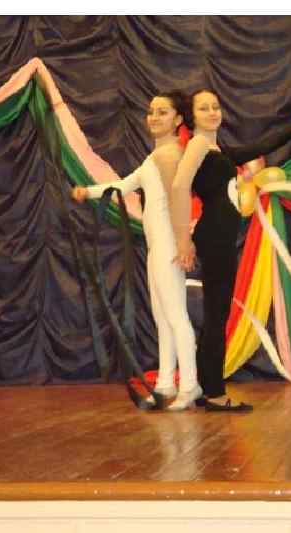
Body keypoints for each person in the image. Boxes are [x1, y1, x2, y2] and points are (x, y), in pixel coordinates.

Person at [171, 88, 291, 412]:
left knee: (216, 314)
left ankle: (206, 387)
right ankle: (214, 393)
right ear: (192, 117)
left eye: (215, 106)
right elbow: (179, 186)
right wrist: (183, 240)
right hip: (214, 236)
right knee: (216, 314)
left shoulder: (216, 149)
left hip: (220, 235)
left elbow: (257, 148)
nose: (212, 112)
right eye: (203, 108)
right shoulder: (198, 145)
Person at [72, 91, 202, 412]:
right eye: (151, 111)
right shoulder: (154, 157)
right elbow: (125, 185)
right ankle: (166, 383)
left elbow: (179, 199)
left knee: (175, 315)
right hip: (159, 246)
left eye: (162, 112)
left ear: (178, 119)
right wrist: (88, 191)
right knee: (163, 317)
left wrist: (183, 243)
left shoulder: (169, 155)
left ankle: (189, 385)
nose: (154, 117)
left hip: (169, 244)